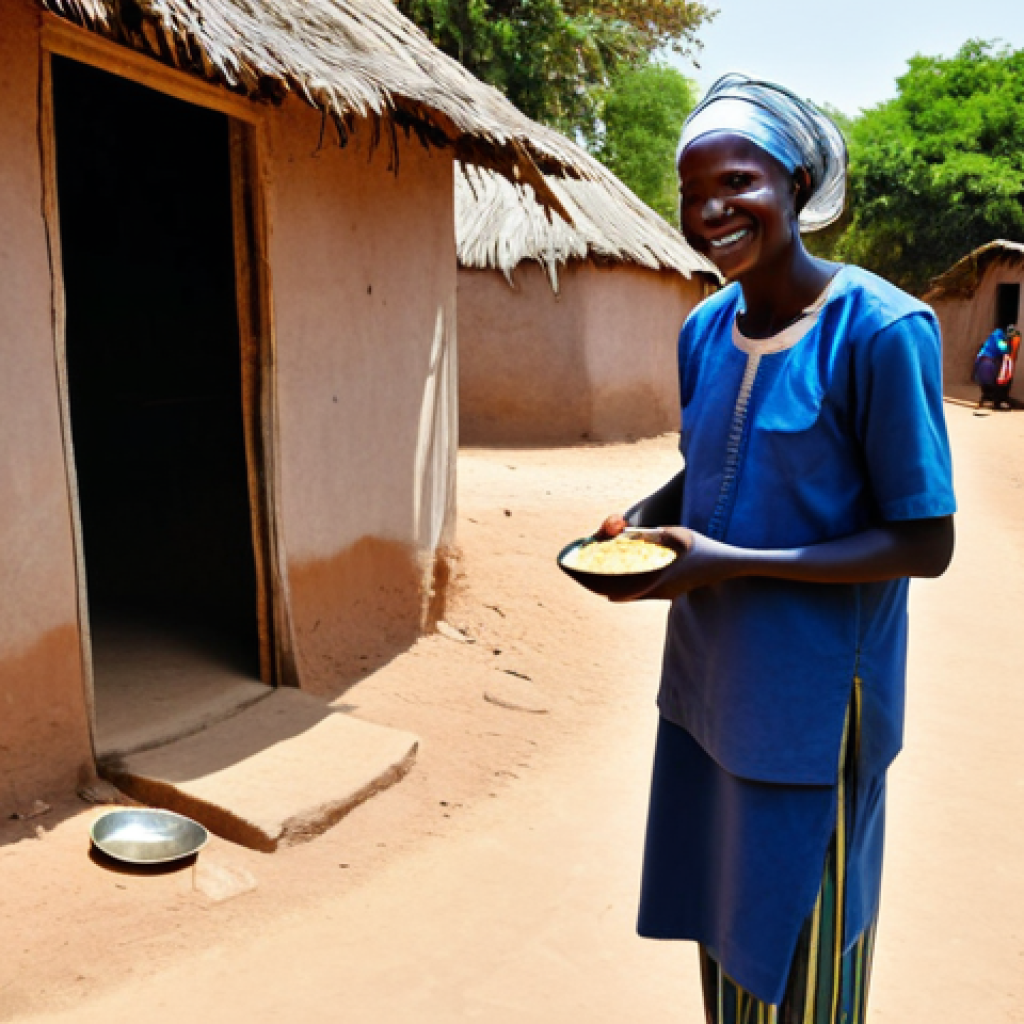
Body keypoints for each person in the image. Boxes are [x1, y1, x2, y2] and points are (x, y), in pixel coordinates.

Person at [597, 74, 956, 1023]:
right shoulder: (705, 328)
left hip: (815, 701)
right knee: (723, 917)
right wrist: (641, 520)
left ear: (797, 185)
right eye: (691, 190)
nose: (710, 211)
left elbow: (925, 541)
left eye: (739, 183)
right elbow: (713, 471)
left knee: (804, 937)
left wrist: (729, 564)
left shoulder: (880, 331)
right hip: (711, 680)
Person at [973, 326, 1010, 409]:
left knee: (988, 383)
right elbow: (1001, 346)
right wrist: (1007, 351)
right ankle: (993, 401)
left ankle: (989, 400)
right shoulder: (998, 333)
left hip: (985, 360)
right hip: (987, 361)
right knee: (991, 382)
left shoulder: (997, 334)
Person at [992, 324, 1020, 410]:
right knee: (1002, 381)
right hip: (1006, 360)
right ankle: (998, 402)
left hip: (1008, 360)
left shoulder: (1012, 339)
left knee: (1004, 381)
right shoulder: (1008, 339)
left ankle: (1000, 401)